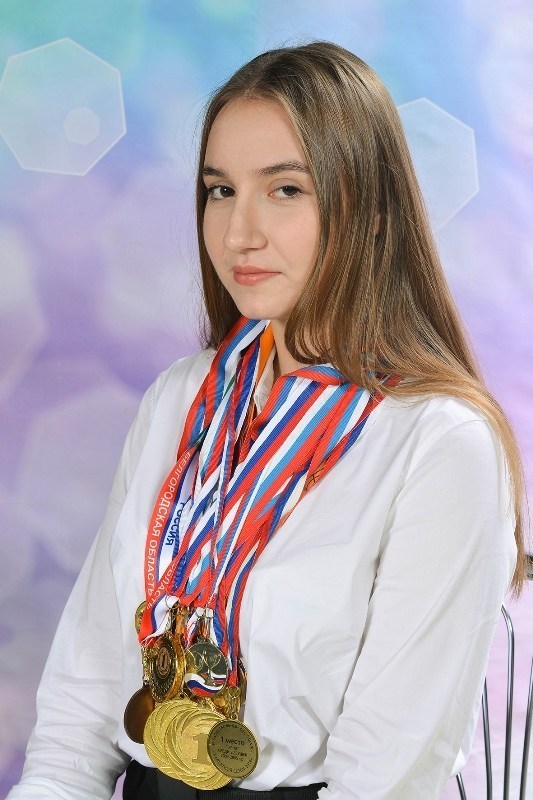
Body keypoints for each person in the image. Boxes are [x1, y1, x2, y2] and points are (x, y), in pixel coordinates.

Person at [7, 41, 526, 800]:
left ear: (370, 210)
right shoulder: (180, 398)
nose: (238, 233)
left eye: (285, 189)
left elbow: (385, 780)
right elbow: (75, 721)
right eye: (220, 190)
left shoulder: (439, 444)